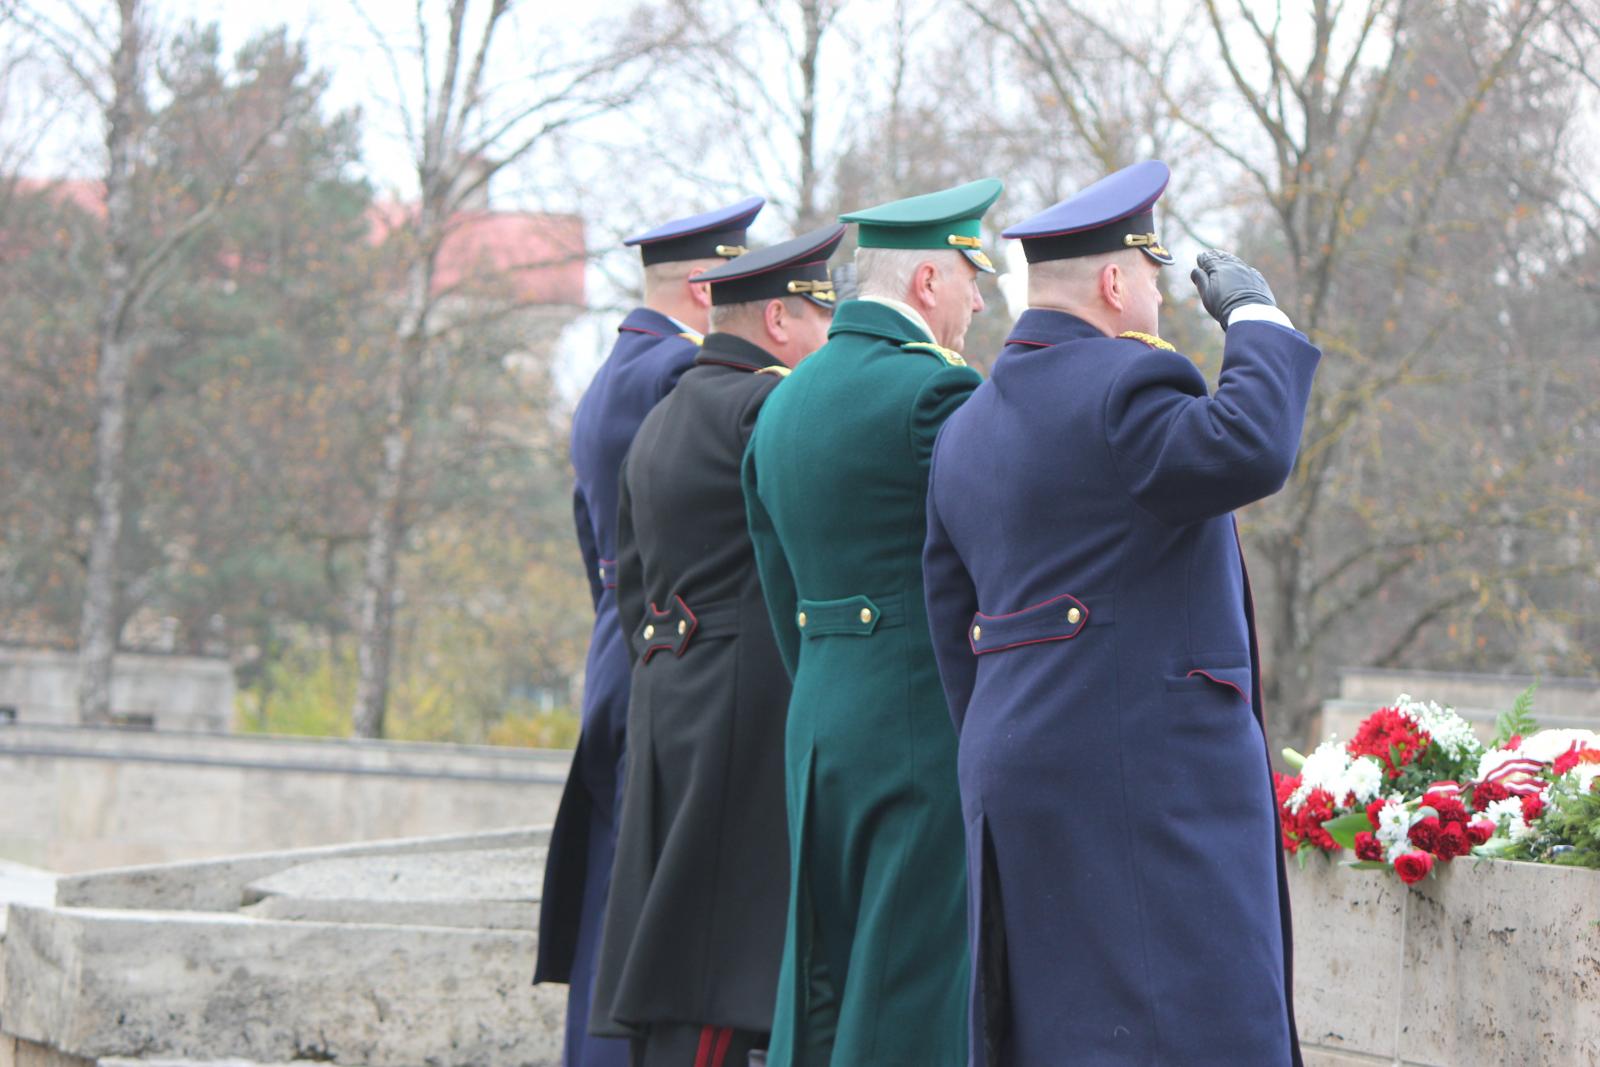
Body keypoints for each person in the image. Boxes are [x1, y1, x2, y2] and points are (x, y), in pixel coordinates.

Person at [921, 160, 1320, 1066]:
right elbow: (1250, 445)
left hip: (1011, 769)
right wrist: (1255, 316)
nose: (1156, 293)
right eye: (1151, 271)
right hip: (1149, 780)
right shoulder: (1127, 386)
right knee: (1196, 1029)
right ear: (1113, 279)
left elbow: (955, 628)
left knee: (1059, 1032)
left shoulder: (963, 429)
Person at [741, 179, 1002, 1067]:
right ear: (928, 280)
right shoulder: (938, 394)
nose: (981, 296)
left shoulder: (783, 401)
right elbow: (989, 568)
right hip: (918, 722)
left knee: (826, 975)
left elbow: (783, 593)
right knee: (911, 987)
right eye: (974, 274)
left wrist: (832, 673)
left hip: (819, 719)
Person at [590, 224, 845, 1067]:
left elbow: (633, 594)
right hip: (749, 713)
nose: (826, 339)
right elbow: (811, 565)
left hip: (675, 708)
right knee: (731, 983)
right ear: (780, 321)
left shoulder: (663, 417)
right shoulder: (767, 408)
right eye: (821, 318)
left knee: (683, 960)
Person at [538, 195, 766, 1067]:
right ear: (712, 289)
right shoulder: (679, 376)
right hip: (673, 650)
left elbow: (599, 540)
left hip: (622, 641)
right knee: (654, 900)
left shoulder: (611, 376)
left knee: (615, 887)